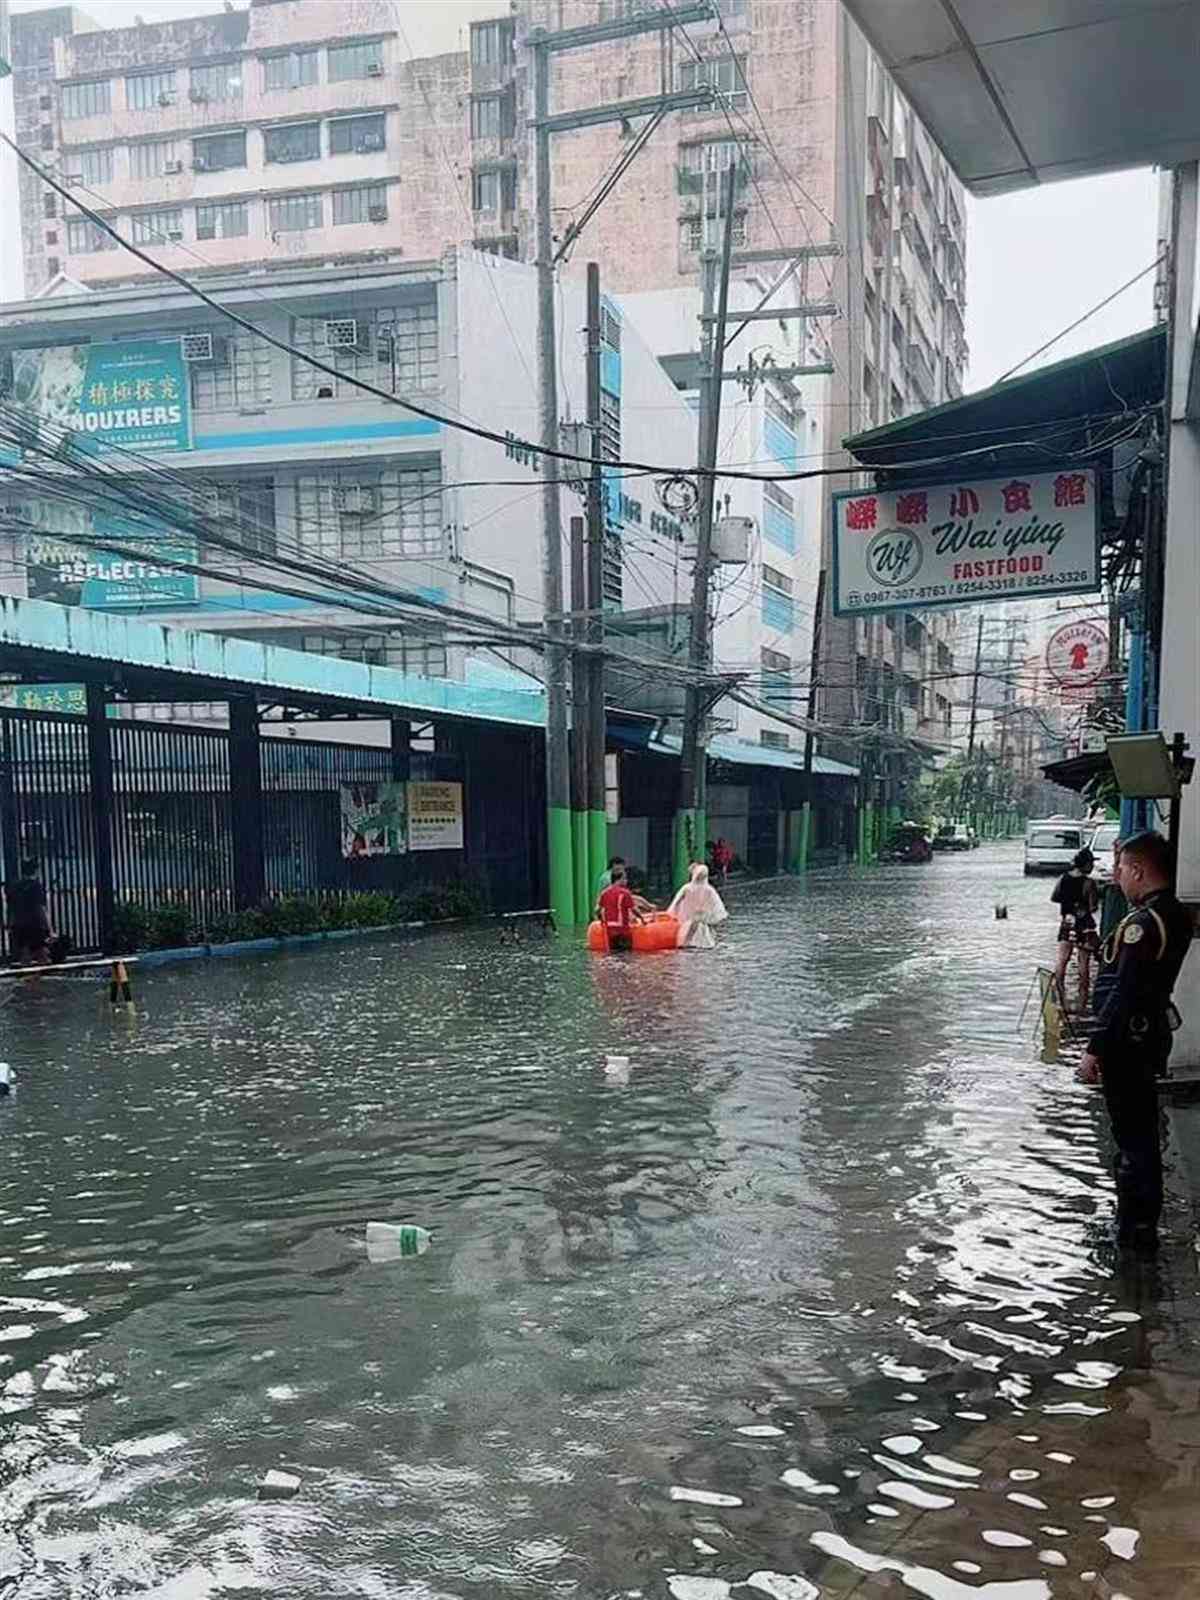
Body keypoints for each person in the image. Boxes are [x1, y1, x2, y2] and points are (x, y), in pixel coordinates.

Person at [1075, 831, 1193, 1251]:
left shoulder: (1142, 924)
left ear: (1139, 870)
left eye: (1122, 868)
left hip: (1129, 1042)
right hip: (1147, 1037)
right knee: (1141, 1133)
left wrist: (1093, 1049)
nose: (1118, 876)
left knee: (1131, 1138)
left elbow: (1123, 994)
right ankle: (1140, 1224)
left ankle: (1131, 1234)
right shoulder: (1173, 913)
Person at [1051, 847, 1100, 1013]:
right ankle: (1082, 1001)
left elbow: (1055, 897)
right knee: (1083, 963)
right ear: (1085, 865)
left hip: (1066, 923)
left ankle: (1060, 996)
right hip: (1084, 925)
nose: (1092, 866)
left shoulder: (1063, 878)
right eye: (1091, 863)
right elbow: (1093, 907)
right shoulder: (1089, 883)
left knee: (1062, 960)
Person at [668, 862, 728, 950]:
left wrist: (673, 910)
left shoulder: (687, 887)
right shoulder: (709, 889)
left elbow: (677, 901)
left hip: (692, 911)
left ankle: (688, 942)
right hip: (703, 911)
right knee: (699, 926)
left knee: (695, 926)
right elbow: (716, 902)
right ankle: (702, 943)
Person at [6, 857, 52, 966]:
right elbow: (41, 908)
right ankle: (40, 980)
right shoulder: (36, 886)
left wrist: (9, 924)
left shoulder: (15, 886)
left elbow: (10, 907)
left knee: (25, 956)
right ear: (36, 870)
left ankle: (28, 979)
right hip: (36, 925)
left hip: (19, 925)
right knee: (42, 955)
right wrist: (49, 929)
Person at [596, 866, 644, 952]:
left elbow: (597, 910)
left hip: (609, 930)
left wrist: (601, 919)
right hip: (622, 930)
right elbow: (634, 910)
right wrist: (642, 919)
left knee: (613, 954)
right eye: (625, 878)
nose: (626, 881)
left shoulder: (604, 893)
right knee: (625, 956)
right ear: (619, 879)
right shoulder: (625, 893)